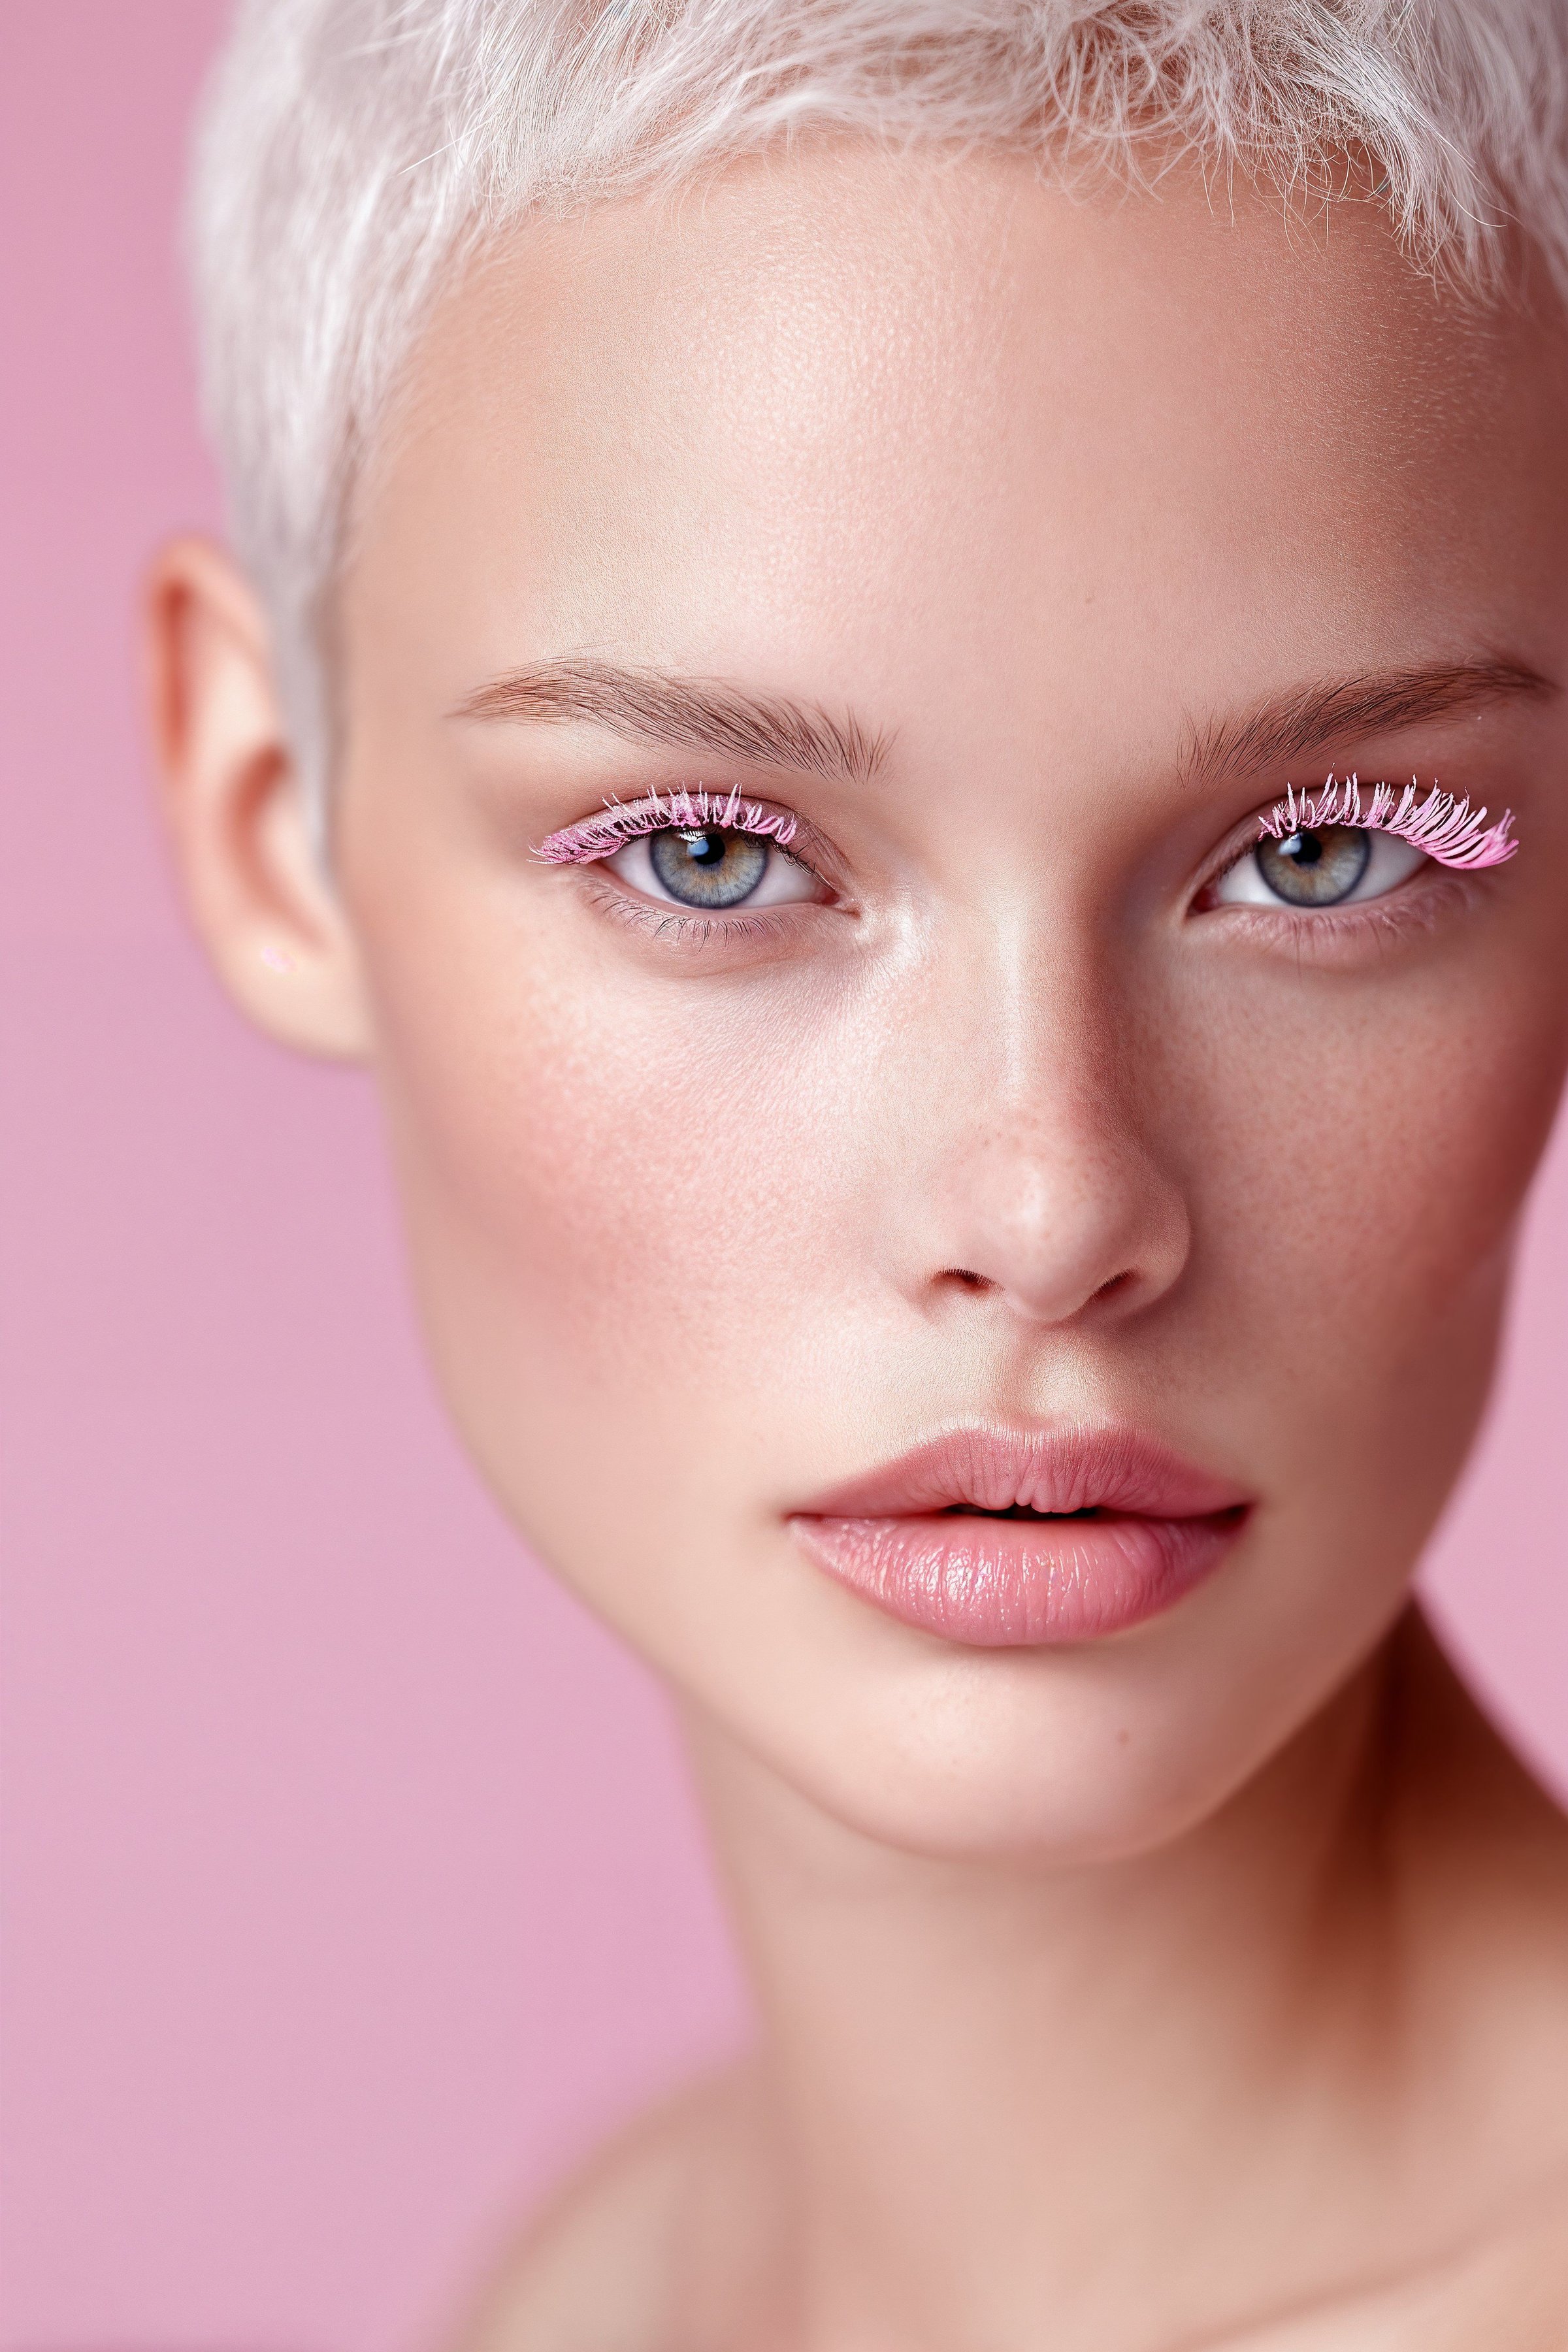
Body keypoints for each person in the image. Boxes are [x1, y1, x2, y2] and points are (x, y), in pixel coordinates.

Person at [146, 3, 1568, 2343]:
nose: (1048, 1201)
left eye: (1321, 856)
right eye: (711, 855)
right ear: (267, 813)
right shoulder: (601, 2289)